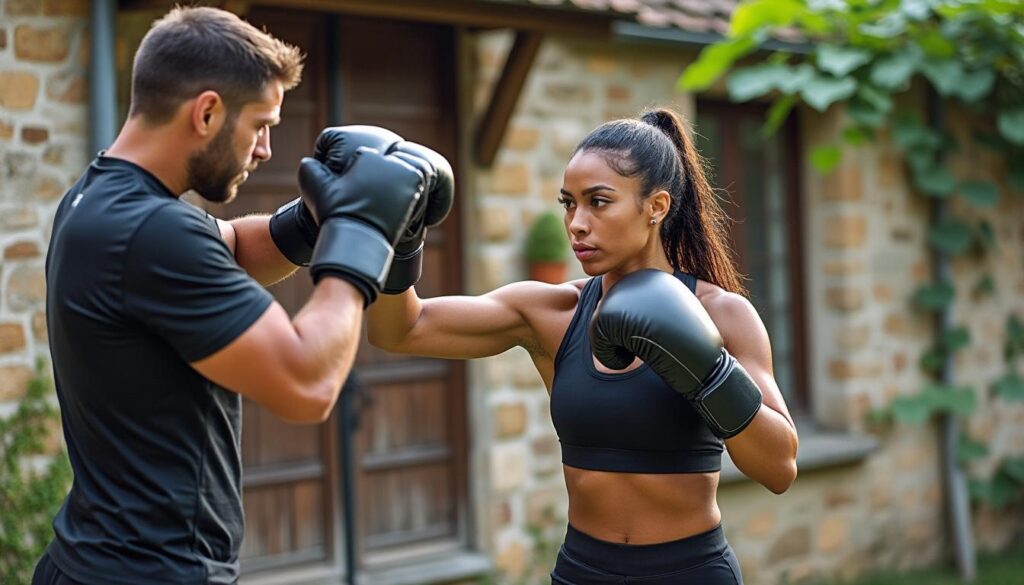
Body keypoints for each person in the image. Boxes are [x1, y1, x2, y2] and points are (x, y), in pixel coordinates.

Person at [35, 7, 452, 585]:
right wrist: (362, 232)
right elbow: (307, 385)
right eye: (259, 125)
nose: (264, 150)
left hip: (91, 560)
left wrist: (312, 220)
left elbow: (227, 246)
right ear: (206, 112)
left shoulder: (99, 197)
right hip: (154, 573)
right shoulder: (152, 233)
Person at [367, 108, 799, 584]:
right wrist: (395, 235)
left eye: (598, 202)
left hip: (691, 572)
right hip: (582, 572)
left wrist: (709, 371)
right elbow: (401, 329)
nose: (576, 223)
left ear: (656, 206)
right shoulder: (552, 313)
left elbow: (779, 469)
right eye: (569, 204)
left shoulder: (723, 315)